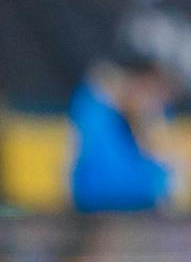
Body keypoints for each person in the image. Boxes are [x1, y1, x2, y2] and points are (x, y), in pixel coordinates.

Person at [69, 51, 180, 214]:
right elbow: (104, 186)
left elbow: (161, 183)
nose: (153, 101)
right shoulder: (95, 112)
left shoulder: (154, 120)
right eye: (148, 90)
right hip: (99, 211)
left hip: (143, 212)